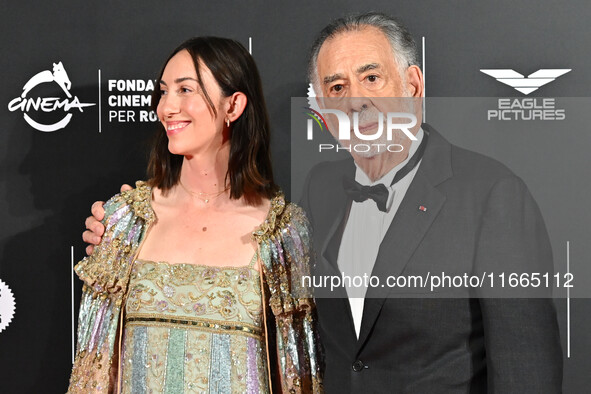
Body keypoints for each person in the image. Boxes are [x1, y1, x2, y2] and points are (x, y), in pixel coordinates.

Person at [84, 13, 563, 393]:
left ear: (413, 87)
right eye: (337, 88)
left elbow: (527, 371)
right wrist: (120, 230)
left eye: (371, 78)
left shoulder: (492, 195)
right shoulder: (320, 193)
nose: (354, 101)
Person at [69, 36, 323, 393]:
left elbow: (298, 377)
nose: (166, 107)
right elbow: (92, 373)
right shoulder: (126, 221)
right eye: (163, 91)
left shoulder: (283, 231)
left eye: (186, 90)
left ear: (233, 106)